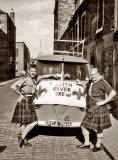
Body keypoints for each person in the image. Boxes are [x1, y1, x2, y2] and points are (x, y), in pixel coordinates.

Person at [11, 64, 58, 148]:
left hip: (31, 100)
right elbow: (13, 86)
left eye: (35, 71)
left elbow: (44, 76)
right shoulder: (25, 78)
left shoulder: (36, 78)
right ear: (29, 71)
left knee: (25, 122)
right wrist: (20, 94)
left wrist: (53, 75)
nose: (33, 73)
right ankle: (21, 138)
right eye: (31, 71)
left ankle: (24, 139)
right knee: (33, 121)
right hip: (25, 100)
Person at [76, 67, 116, 152]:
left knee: (98, 128)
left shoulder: (102, 82)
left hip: (99, 108)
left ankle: (98, 146)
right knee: (83, 125)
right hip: (91, 108)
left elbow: (113, 92)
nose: (92, 76)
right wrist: (80, 84)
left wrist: (104, 101)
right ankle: (87, 144)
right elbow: (88, 89)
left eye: (94, 74)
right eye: (91, 74)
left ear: (98, 74)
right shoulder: (91, 82)